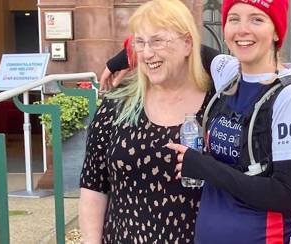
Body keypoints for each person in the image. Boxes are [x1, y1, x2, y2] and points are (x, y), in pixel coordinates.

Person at [165, 0, 291, 243]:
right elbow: (189, 47)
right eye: (234, 18)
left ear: (276, 32)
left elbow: (287, 195)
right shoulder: (229, 73)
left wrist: (204, 167)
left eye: (257, 19)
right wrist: (119, 61)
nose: (242, 29)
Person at [78, 0, 213, 242]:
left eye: (158, 41)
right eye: (140, 43)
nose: (147, 53)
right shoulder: (116, 105)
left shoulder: (218, 105)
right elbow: (93, 186)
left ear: (187, 44)